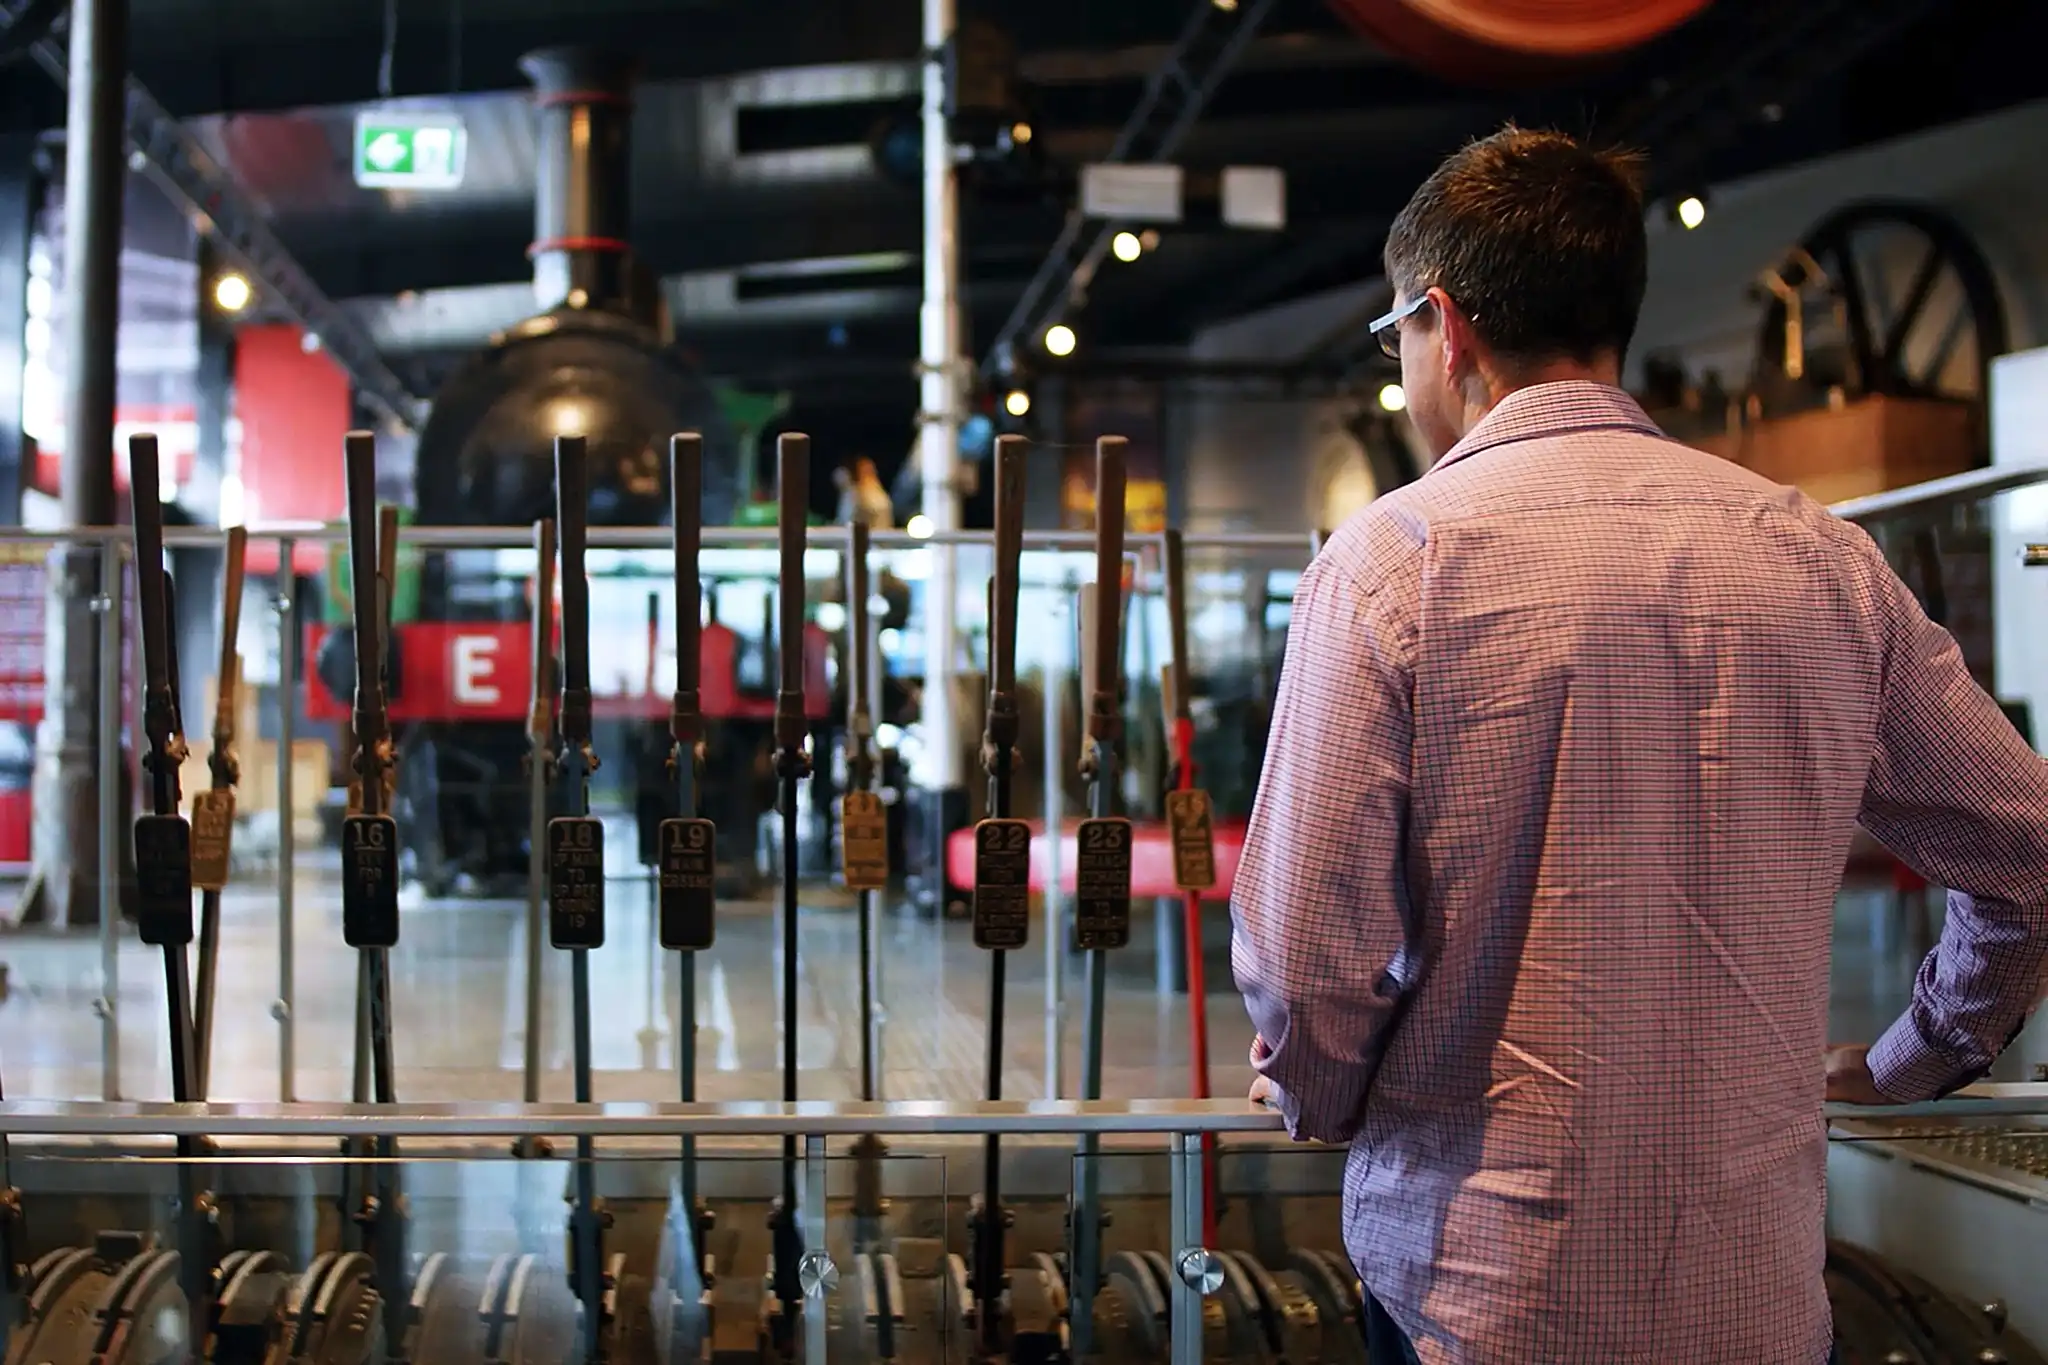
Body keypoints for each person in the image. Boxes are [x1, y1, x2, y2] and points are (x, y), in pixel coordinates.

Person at [1230, 125, 2048, 1365]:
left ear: (1442, 326)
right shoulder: (1817, 557)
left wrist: (1324, 1097)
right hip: (1756, 1302)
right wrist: (1909, 1059)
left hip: (1481, 1295)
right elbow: (2028, 854)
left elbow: (1301, 956)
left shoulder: (1393, 563)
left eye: (1393, 342)